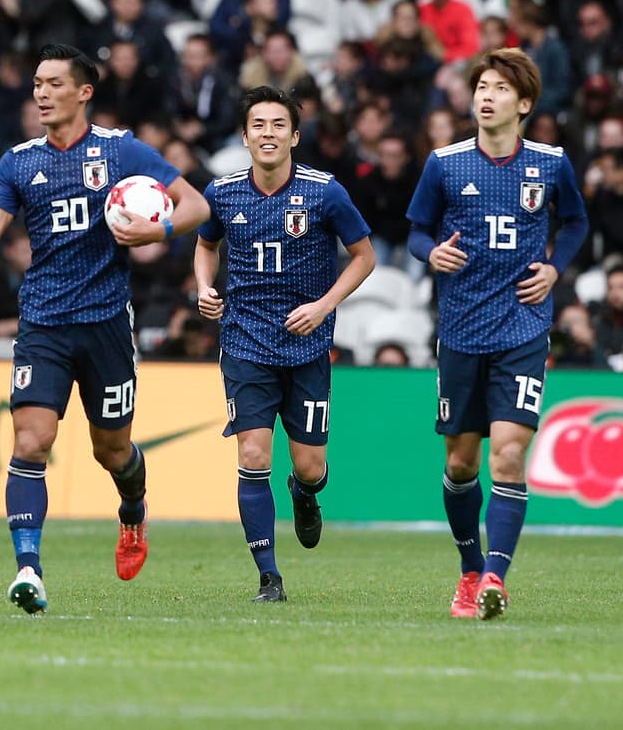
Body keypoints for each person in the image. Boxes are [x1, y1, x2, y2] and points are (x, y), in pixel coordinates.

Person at [0, 43, 210, 614]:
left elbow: (195, 205)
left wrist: (159, 231)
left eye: (53, 83)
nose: (42, 93)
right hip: (43, 322)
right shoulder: (19, 161)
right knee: (31, 441)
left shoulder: (122, 151)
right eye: (36, 84)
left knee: (113, 451)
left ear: (83, 92)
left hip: (105, 325)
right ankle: (29, 569)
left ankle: (133, 510)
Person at [406, 48, 588, 620]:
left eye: (499, 88)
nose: (486, 95)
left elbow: (578, 221)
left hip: (523, 329)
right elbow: (415, 231)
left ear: (524, 103)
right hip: (461, 329)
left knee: (508, 455)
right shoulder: (445, 163)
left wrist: (556, 267)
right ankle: (468, 567)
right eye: (481, 86)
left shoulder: (551, 164)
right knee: (461, 464)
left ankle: (495, 577)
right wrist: (431, 254)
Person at [194, 86, 375, 602]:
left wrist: (323, 307)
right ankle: (268, 577)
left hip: (307, 347)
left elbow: (364, 257)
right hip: (246, 343)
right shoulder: (223, 192)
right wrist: (205, 288)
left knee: (310, 466)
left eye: (278, 125)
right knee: (252, 455)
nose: (268, 134)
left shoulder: (325, 192)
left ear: (294, 136)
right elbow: (205, 245)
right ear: (244, 135)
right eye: (259, 125)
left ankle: (305, 493)